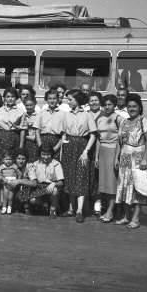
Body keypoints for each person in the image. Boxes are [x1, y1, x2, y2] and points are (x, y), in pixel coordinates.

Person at [114, 93, 147, 228]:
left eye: (134, 106)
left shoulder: (145, 121)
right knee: (125, 187)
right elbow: (119, 142)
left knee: (137, 188)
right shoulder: (123, 122)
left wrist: (144, 159)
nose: (132, 109)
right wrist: (116, 158)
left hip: (138, 158)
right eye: (129, 106)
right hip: (124, 158)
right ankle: (127, 216)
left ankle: (136, 218)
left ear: (140, 107)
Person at [60, 89, 97, 223]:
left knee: (81, 177)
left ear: (77, 100)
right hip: (69, 147)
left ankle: (79, 210)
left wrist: (86, 151)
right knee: (70, 177)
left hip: (82, 146)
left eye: (70, 99)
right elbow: (63, 134)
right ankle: (71, 208)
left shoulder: (87, 115)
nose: (68, 102)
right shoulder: (66, 115)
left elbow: (93, 135)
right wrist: (63, 150)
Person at [95, 94, 122, 222]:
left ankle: (110, 211)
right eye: (105, 104)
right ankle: (108, 210)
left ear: (114, 105)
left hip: (113, 151)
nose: (107, 107)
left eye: (109, 104)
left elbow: (120, 140)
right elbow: (98, 138)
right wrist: (96, 156)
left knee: (111, 183)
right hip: (102, 152)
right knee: (104, 184)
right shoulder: (100, 119)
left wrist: (116, 157)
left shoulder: (119, 118)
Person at [27, 143, 65, 219]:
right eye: (43, 154)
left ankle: (52, 210)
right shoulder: (35, 164)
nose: (46, 157)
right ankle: (45, 204)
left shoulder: (56, 164)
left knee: (54, 190)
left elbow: (61, 182)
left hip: (52, 186)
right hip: (40, 187)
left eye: (48, 154)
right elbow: (33, 181)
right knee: (32, 200)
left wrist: (54, 184)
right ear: (40, 154)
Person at [0, 87, 26, 159]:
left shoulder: (21, 112)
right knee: (0, 160)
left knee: (12, 160)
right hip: (0, 139)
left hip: (13, 139)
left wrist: (21, 147)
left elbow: (23, 130)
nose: (10, 99)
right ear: (4, 98)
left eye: (12, 97)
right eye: (8, 96)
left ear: (16, 98)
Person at [35, 89, 66, 160]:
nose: (52, 101)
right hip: (42, 142)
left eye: (54, 98)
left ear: (58, 99)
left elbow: (64, 134)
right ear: (46, 99)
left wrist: (55, 148)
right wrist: (40, 146)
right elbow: (37, 130)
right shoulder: (41, 113)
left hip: (56, 143)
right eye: (49, 98)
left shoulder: (63, 114)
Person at [12, 149, 39, 214]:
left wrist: (19, 181)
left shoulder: (29, 166)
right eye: (19, 159)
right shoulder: (12, 166)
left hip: (28, 191)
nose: (21, 161)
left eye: (23, 159)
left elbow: (34, 183)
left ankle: (27, 207)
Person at [0, 150, 22, 214]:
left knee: (10, 197)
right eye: (6, 159)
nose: (8, 161)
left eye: (10, 159)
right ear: (3, 160)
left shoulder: (14, 166)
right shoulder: (1, 167)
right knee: (5, 196)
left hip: (12, 184)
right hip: (5, 184)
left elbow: (19, 174)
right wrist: (2, 178)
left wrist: (18, 180)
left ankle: (9, 208)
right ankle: (4, 208)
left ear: (12, 160)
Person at [22, 96, 40, 162]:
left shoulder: (39, 115)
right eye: (27, 105)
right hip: (25, 142)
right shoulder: (22, 115)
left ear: (35, 103)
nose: (29, 107)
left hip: (36, 142)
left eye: (31, 105)